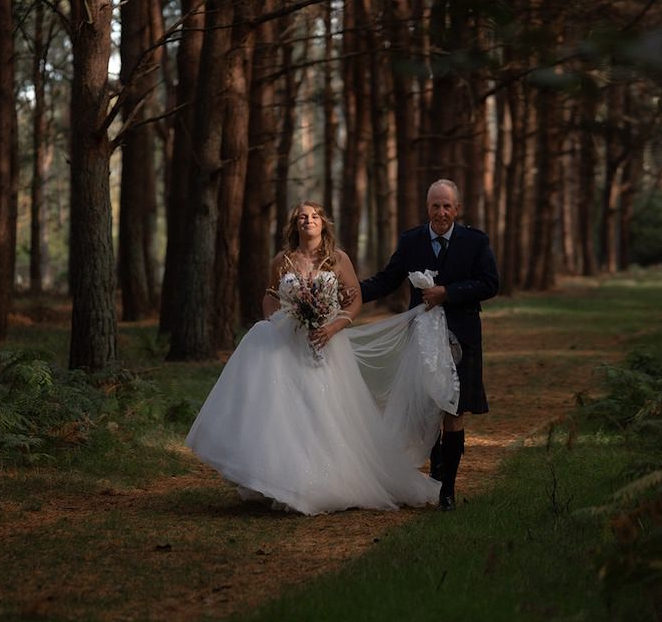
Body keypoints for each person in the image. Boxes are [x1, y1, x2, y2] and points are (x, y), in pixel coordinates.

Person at [185, 201, 455, 515]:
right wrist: (274, 323)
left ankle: (327, 480)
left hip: (327, 342)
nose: (308, 220)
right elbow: (270, 296)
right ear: (294, 224)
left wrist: (332, 327)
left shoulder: (338, 259)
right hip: (288, 343)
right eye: (302, 217)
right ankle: (282, 478)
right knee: (287, 410)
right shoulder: (282, 260)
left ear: (323, 223)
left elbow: (354, 300)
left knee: (323, 410)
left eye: (314, 216)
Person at [359, 179, 499, 511]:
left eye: (447, 206)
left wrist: (447, 292)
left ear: (457, 209)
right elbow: (387, 280)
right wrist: (350, 293)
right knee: (428, 411)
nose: (441, 212)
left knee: (454, 412)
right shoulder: (412, 241)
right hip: (421, 340)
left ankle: (447, 490)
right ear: (427, 208)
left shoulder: (475, 241)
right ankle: (436, 473)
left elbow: (490, 283)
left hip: (462, 338)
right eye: (435, 206)